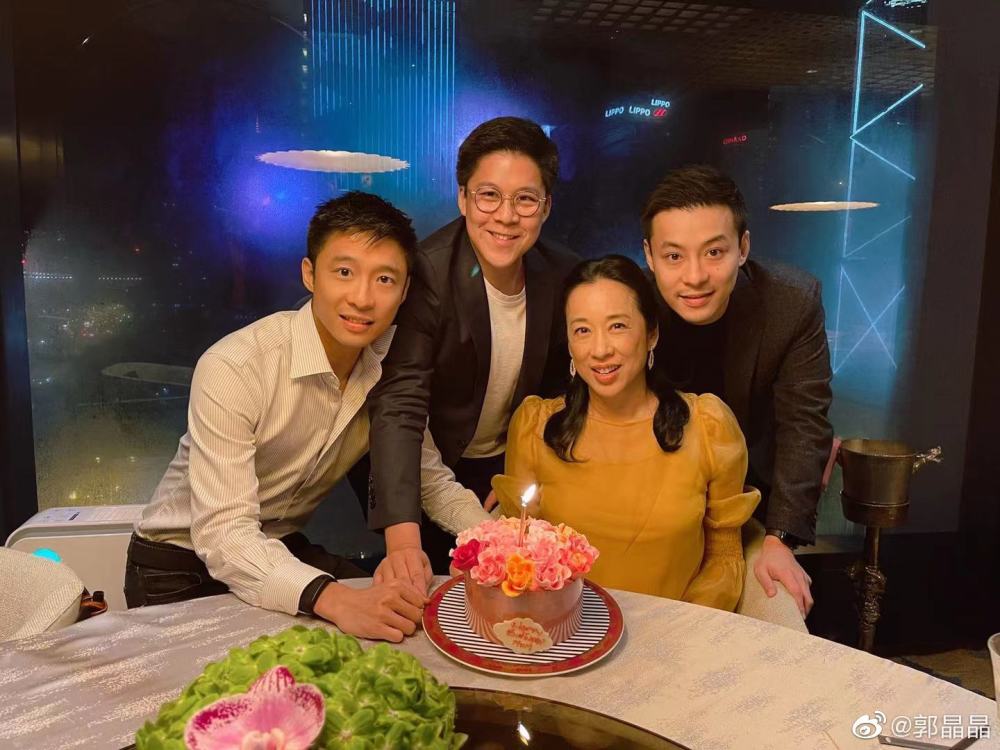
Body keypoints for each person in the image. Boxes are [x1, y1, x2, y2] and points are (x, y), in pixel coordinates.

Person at [125, 191, 473, 643]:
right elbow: (225, 534)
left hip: (277, 546)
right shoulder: (236, 365)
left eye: (385, 279)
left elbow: (428, 478)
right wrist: (340, 602)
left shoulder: (392, 368)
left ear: (405, 291)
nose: (362, 298)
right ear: (309, 274)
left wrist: (507, 543)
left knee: (403, 626)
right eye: (344, 272)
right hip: (177, 563)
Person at [366, 116, 579, 578]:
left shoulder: (563, 274)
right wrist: (402, 540)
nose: (506, 216)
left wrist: (528, 466)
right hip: (426, 462)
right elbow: (400, 401)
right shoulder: (426, 273)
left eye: (525, 199)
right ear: (463, 197)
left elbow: (563, 390)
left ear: (546, 207)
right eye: (489, 195)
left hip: (508, 462)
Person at [496, 255, 760, 610]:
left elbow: (724, 558)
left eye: (617, 326)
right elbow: (519, 557)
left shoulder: (709, 427)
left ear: (651, 334)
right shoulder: (534, 429)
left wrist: (678, 631)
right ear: (569, 343)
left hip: (676, 633)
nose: (600, 350)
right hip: (567, 630)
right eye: (582, 330)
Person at [641, 165, 834, 616]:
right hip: (646, 496)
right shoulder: (628, 302)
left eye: (714, 252)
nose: (694, 276)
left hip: (745, 501)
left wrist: (780, 539)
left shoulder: (791, 302)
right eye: (673, 256)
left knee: (778, 607)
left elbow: (803, 424)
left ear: (743, 247)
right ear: (649, 255)